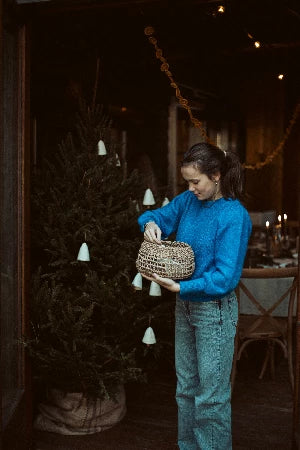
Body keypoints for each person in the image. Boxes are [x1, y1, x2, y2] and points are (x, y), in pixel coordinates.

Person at [137, 142, 252, 450]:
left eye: (195, 181)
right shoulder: (188, 201)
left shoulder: (234, 215)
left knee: (211, 397)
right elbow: (158, 216)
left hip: (214, 310)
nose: (190, 188)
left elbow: (225, 277)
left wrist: (181, 287)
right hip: (185, 306)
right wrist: (150, 224)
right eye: (187, 181)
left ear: (216, 175)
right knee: (186, 388)